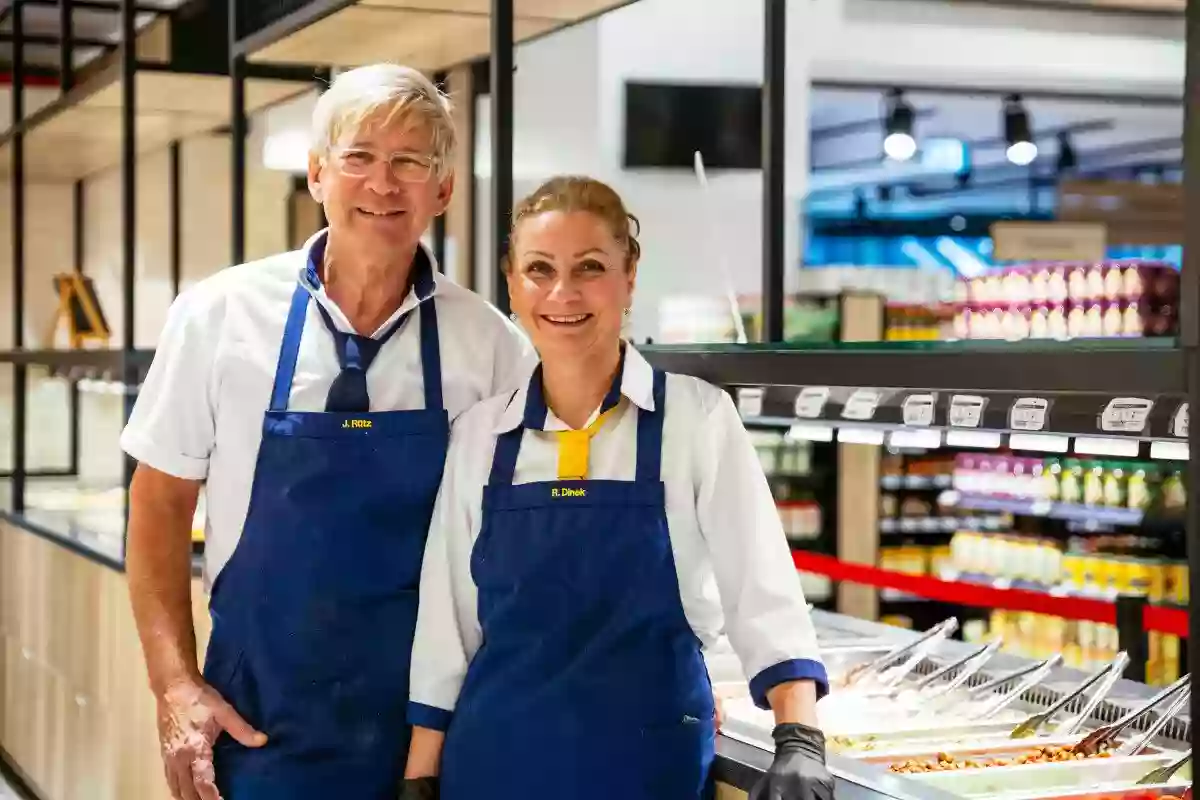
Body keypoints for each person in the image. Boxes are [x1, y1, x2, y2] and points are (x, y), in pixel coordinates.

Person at [120, 63, 532, 800]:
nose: (383, 184)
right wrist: (175, 688)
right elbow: (157, 505)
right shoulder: (219, 316)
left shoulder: (493, 348)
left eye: (411, 163)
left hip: (433, 737)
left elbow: (518, 542)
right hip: (259, 729)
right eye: (360, 158)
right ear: (316, 175)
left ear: (443, 190)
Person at [402, 176, 834, 800]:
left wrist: (800, 739)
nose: (563, 292)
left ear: (630, 277)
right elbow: (448, 625)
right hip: (498, 761)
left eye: (590, 267)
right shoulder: (480, 436)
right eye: (539, 269)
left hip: (650, 761)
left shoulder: (695, 418)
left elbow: (761, 589)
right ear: (512, 283)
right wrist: (420, 774)